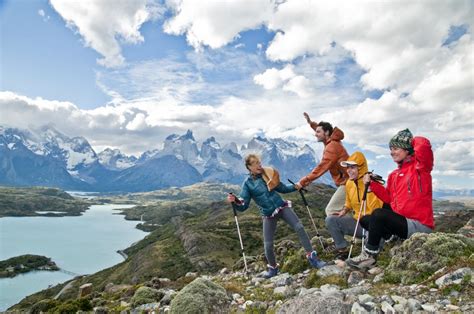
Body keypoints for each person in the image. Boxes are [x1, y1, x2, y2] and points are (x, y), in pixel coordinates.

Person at [227, 154, 326, 278]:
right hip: (268, 214)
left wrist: (297, 186)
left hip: (281, 206)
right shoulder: (247, 184)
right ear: (249, 167)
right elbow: (243, 205)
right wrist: (235, 200)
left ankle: (313, 258)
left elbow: (283, 188)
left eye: (259, 162)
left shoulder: (267, 173)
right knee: (268, 245)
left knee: (299, 227)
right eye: (255, 163)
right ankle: (273, 269)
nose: (259, 165)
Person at [347, 129, 434, 269]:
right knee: (365, 219)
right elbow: (388, 198)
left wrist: (409, 141)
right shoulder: (394, 175)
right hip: (402, 223)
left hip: (419, 225)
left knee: (378, 214)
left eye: (395, 148)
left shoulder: (420, 168)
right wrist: (372, 185)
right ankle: (393, 238)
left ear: (407, 150)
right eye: (391, 149)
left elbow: (424, 146)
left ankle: (369, 256)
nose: (392, 152)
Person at [325, 151, 383, 260]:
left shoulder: (373, 184)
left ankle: (370, 255)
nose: (348, 171)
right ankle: (342, 250)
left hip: (373, 226)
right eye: (348, 167)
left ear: (360, 168)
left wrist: (370, 189)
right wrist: (344, 210)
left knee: (373, 245)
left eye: (352, 167)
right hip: (358, 223)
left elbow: (378, 209)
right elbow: (348, 202)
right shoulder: (349, 183)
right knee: (331, 219)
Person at [295, 113, 350, 216]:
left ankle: (348, 230)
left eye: (318, 132)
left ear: (327, 132)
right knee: (345, 212)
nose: (315, 134)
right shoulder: (331, 140)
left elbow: (321, 168)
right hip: (348, 181)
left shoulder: (332, 147)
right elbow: (320, 130)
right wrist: (310, 123)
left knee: (331, 210)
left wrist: (303, 182)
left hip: (348, 183)